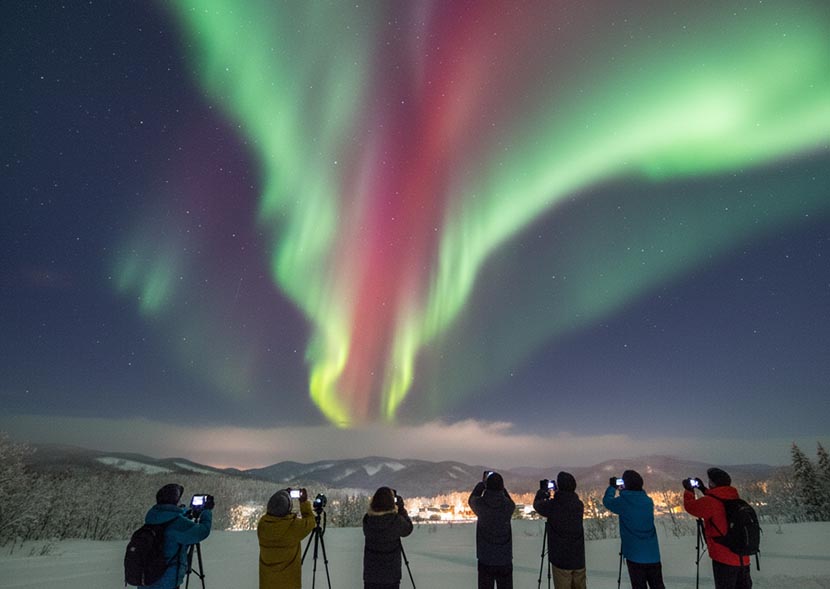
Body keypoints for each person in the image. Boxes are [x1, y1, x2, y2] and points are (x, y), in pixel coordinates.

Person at [683, 467, 753, 589]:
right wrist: (703, 489)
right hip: (743, 556)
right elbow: (718, 498)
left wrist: (689, 491)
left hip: (723, 557)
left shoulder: (711, 503)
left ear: (713, 483)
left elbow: (691, 507)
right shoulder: (735, 498)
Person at [139, 483, 213, 589]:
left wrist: (183, 513)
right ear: (174, 501)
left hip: (146, 580)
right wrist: (207, 512)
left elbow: (169, 518)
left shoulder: (153, 518)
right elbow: (202, 531)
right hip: (166, 582)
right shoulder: (178, 525)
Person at [603, 470, 665, 589]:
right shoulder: (648, 501)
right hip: (653, 554)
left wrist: (612, 487)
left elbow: (607, 502)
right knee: (658, 585)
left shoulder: (623, 502)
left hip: (634, 555)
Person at [533, 472, 586, 589]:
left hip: (561, 559)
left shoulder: (553, 506)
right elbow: (566, 502)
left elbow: (537, 505)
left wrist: (542, 492)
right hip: (578, 558)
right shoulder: (579, 505)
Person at [257, 487, 316, 589]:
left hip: (267, 584)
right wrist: (304, 502)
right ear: (288, 509)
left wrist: (283, 494)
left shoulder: (262, 525)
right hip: (289, 584)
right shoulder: (293, 527)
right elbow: (310, 521)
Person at [469, 471, 515, 589]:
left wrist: (481, 485)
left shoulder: (480, 505)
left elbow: (472, 499)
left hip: (485, 559)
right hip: (505, 559)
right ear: (502, 486)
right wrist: (502, 490)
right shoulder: (508, 506)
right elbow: (510, 502)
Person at [362, 486, 415, 589]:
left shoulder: (368, 520)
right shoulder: (396, 521)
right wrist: (401, 509)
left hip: (371, 576)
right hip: (391, 576)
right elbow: (408, 529)